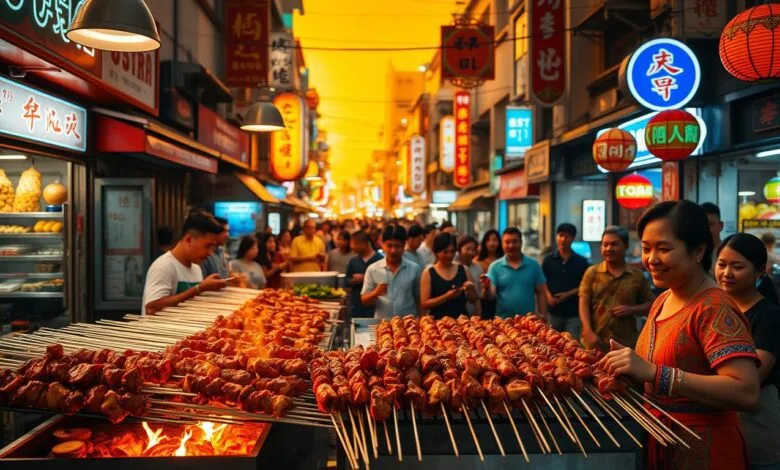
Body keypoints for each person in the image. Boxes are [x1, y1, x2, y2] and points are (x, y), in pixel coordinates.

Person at [600, 200, 761, 470]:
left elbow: (746, 392)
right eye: (646, 248)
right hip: (658, 442)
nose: (651, 259)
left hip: (704, 451)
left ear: (698, 250)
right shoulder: (662, 300)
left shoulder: (715, 308)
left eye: (664, 249)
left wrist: (655, 373)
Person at [715, 233, 780, 469]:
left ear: (759, 271)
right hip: (718, 424)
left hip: (755, 425)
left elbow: (752, 378)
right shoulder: (714, 308)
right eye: (721, 264)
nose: (726, 273)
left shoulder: (768, 316)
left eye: (737, 266)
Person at [579, 226, 654, 350]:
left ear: (625, 246)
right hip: (595, 342)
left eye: (614, 244)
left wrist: (631, 309)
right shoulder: (592, 272)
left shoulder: (636, 276)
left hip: (624, 344)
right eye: (605, 244)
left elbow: (652, 305)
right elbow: (583, 303)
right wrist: (588, 331)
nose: (608, 249)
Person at [142, 210, 228, 315]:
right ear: (188, 239)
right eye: (207, 246)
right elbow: (151, 308)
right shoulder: (164, 265)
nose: (210, 253)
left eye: (213, 247)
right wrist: (199, 288)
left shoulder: (196, 268)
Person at [481, 227, 548, 319]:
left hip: (529, 323)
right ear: (502, 244)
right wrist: (486, 288)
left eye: (515, 242)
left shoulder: (533, 265)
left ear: (521, 242)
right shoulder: (495, 266)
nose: (511, 245)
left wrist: (543, 316)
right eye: (507, 242)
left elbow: (541, 292)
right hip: (503, 324)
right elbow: (490, 296)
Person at [361, 225, 421, 319]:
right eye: (389, 245)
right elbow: (364, 300)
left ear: (404, 245)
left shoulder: (414, 269)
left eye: (397, 246)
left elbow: (419, 299)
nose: (393, 250)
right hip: (383, 326)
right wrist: (375, 293)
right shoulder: (373, 269)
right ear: (382, 244)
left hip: (408, 326)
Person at [543, 223, 590, 339]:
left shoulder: (581, 262)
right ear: (556, 237)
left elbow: (585, 286)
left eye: (567, 236)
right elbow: (542, 282)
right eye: (560, 235)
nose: (563, 239)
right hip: (553, 312)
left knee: (572, 345)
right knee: (551, 345)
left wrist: (567, 295)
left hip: (573, 313)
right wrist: (548, 296)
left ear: (573, 238)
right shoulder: (548, 260)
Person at [420, 233, 479, 319]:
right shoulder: (428, 273)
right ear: (437, 252)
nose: (449, 255)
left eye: (452, 251)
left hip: (461, 321)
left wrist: (471, 290)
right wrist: (446, 297)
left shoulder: (463, 269)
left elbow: (473, 300)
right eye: (445, 252)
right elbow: (424, 303)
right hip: (438, 324)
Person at [346, 231, 384, 318]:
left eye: (355, 243)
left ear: (365, 243)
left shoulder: (379, 260)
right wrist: (353, 281)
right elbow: (346, 280)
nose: (352, 246)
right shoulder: (354, 261)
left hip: (375, 306)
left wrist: (365, 278)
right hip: (356, 304)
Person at [477, 229, 503, 319]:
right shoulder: (477, 262)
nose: (491, 243)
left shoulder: (503, 262)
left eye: (494, 240)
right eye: (488, 240)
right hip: (482, 299)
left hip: (499, 300)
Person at [457, 235, 483, 316]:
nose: (471, 252)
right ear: (459, 249)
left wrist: (478, 313)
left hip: (471, 312)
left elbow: (478, 294)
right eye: (467, 249)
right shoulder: (454, 267)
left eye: (474, 250)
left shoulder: (478, 269)